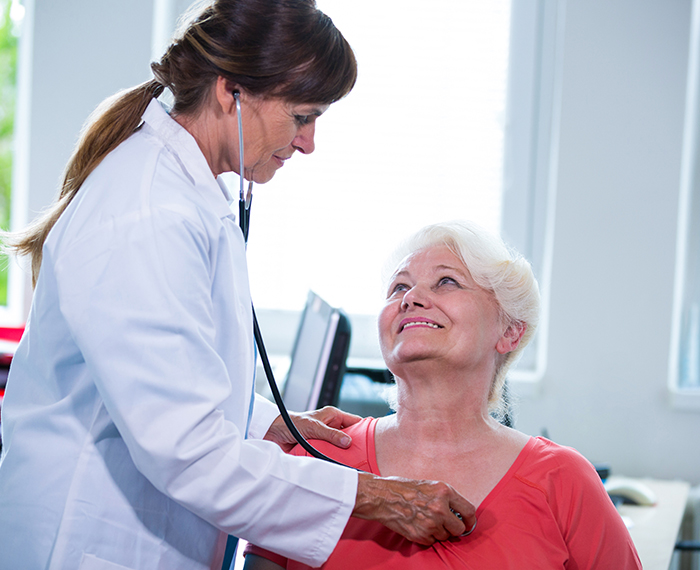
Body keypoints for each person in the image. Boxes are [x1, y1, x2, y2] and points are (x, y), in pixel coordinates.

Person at [0, 2, 475, 569]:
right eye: (302, 116)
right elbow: (187, 450)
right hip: (85, 538)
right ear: (232, 93)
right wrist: (376, 496)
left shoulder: (189, 191)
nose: (309, 143)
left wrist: (267, 421)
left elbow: (169, 380)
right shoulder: (149, 211)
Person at [244, 221, 642, 569]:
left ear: (509, 331)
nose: (410, 297)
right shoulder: (315, 458)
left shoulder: (564, 481)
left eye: (446, 281)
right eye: (399, 286)